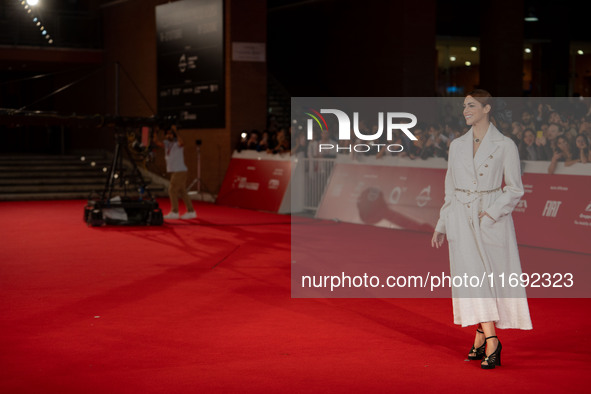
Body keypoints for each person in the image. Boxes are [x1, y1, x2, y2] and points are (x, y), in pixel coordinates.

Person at [431, 89, 532, 370]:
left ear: (487, 108)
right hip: (460, 217)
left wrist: (490, 213)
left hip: (490, 217)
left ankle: (485, 338)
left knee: (490, 279)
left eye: (471, 105)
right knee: (472, 278)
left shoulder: (505, 145)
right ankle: (489, 339)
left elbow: (514, 188)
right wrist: (442, 223)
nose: (465, 110)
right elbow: (450, 188)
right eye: (464, 106)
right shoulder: (456, 145)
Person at [153, 123, 197, 220]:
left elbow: (182, 142)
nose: (169, 136)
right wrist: (155, 131)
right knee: (182, 191)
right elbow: (156, 142)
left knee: (172, 190)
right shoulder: (167, 144)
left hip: (179, 170)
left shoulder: (177, 143)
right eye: (167, 134)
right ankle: (191, 211)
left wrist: (176, 131)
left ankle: (175, 211)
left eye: (171, 134)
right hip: (176, 171)